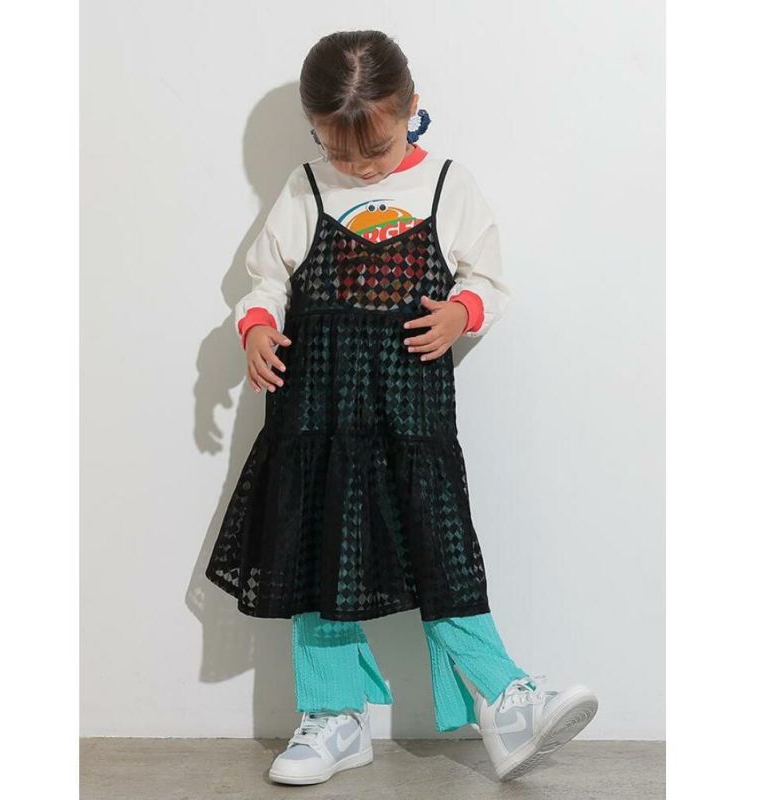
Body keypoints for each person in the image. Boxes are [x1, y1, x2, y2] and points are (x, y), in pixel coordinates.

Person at [206, 29, 597, 786]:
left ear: (412, 108)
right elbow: (266, 279)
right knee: (316, 557)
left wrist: (461, 312)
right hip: (314, 417)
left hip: (412, 418)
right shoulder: (305, 188)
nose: (359, 168)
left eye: (376, 150)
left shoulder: (448, 184)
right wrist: (255, 328)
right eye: (338, 150)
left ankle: (506, 699)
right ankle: (333, 716)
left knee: (441, 551)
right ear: (314, 129)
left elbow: (487, 277)